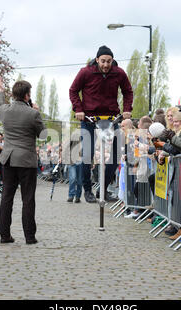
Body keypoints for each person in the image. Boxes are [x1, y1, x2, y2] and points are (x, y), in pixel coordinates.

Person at [69, 45, 133, 203]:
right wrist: (78, 109)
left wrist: (126, 110)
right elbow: (73, 90)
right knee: (87, 155)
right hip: (90, 118)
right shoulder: (86, 72)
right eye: (103, 61)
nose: (105, 65)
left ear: (113, 60)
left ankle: (102, 190)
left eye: (109, 61)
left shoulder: (119, 73)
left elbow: (128, 91)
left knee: (117, 152)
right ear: (97, 59)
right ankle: (88, 190)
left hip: (110, 119)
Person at [0, 77, 46, 245]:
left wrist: (1, 90)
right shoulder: (33, 113)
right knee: (28, 199)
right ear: (27, 96)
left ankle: (4, 235)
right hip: (26, 160)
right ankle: (30, 237)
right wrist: (37, 113)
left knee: (6, 198)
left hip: (8, 159)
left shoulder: (5, 111)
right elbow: (43, 135)